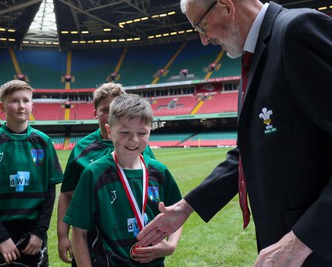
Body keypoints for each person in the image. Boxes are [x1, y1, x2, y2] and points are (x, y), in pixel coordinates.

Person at [136, 0, 332, 266]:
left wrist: (300, 240)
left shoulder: (295, 32)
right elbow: (250, 151)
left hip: (316, 248)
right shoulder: (253, 60)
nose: (203, 40)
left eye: (201, 25)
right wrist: (186, 207)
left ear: (227, 7)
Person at [63, 94, 183, 266]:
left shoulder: (160, 172)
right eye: (125, 132)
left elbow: (177, 214)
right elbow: (79, 233)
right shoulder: (94, 174)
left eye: (142, 133)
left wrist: (171, 246)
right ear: (110, 131)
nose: (134, 140)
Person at [0, 80, 63, 266]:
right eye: (14, 101)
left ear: (32, 105)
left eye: (26, 100)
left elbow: (50, 191)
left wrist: (39, 232)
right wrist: (1, 237)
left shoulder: (44, 142)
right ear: (2, 106)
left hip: (33, 232)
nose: (21, 106)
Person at [57, 83, 156, 265]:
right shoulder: (81, 149)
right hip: (90, 239)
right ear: (95, 113)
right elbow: (67, 194)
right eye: (105, 109)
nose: (110, 113)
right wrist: (62, 235)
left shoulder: (141, 148)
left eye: (115, 108)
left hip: (128, 236)